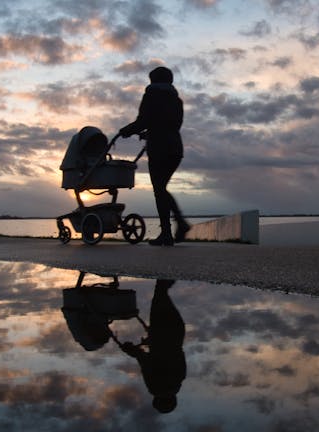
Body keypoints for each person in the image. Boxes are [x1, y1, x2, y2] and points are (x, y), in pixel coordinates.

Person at [119, 66, 190, 246]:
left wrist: (126, 130)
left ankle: (171, 230)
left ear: (153, 80)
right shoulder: (177, 100)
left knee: (159, 190)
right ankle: (175, 226)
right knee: (161, 188)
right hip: (175, 148)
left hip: (159, 149)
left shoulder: (151, 95)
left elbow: (144, 120)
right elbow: (170, 125)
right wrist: (148, 133)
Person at [119, 279, 186, 413]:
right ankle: (171, 265)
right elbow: (145, 361)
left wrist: (151, 343)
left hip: (176, 332)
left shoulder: (180, 378)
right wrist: (132, 350)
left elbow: (174, 353)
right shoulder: (155, 387)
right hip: (160, 332)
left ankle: (170, 269)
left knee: (162, 293)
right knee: (160, 292)